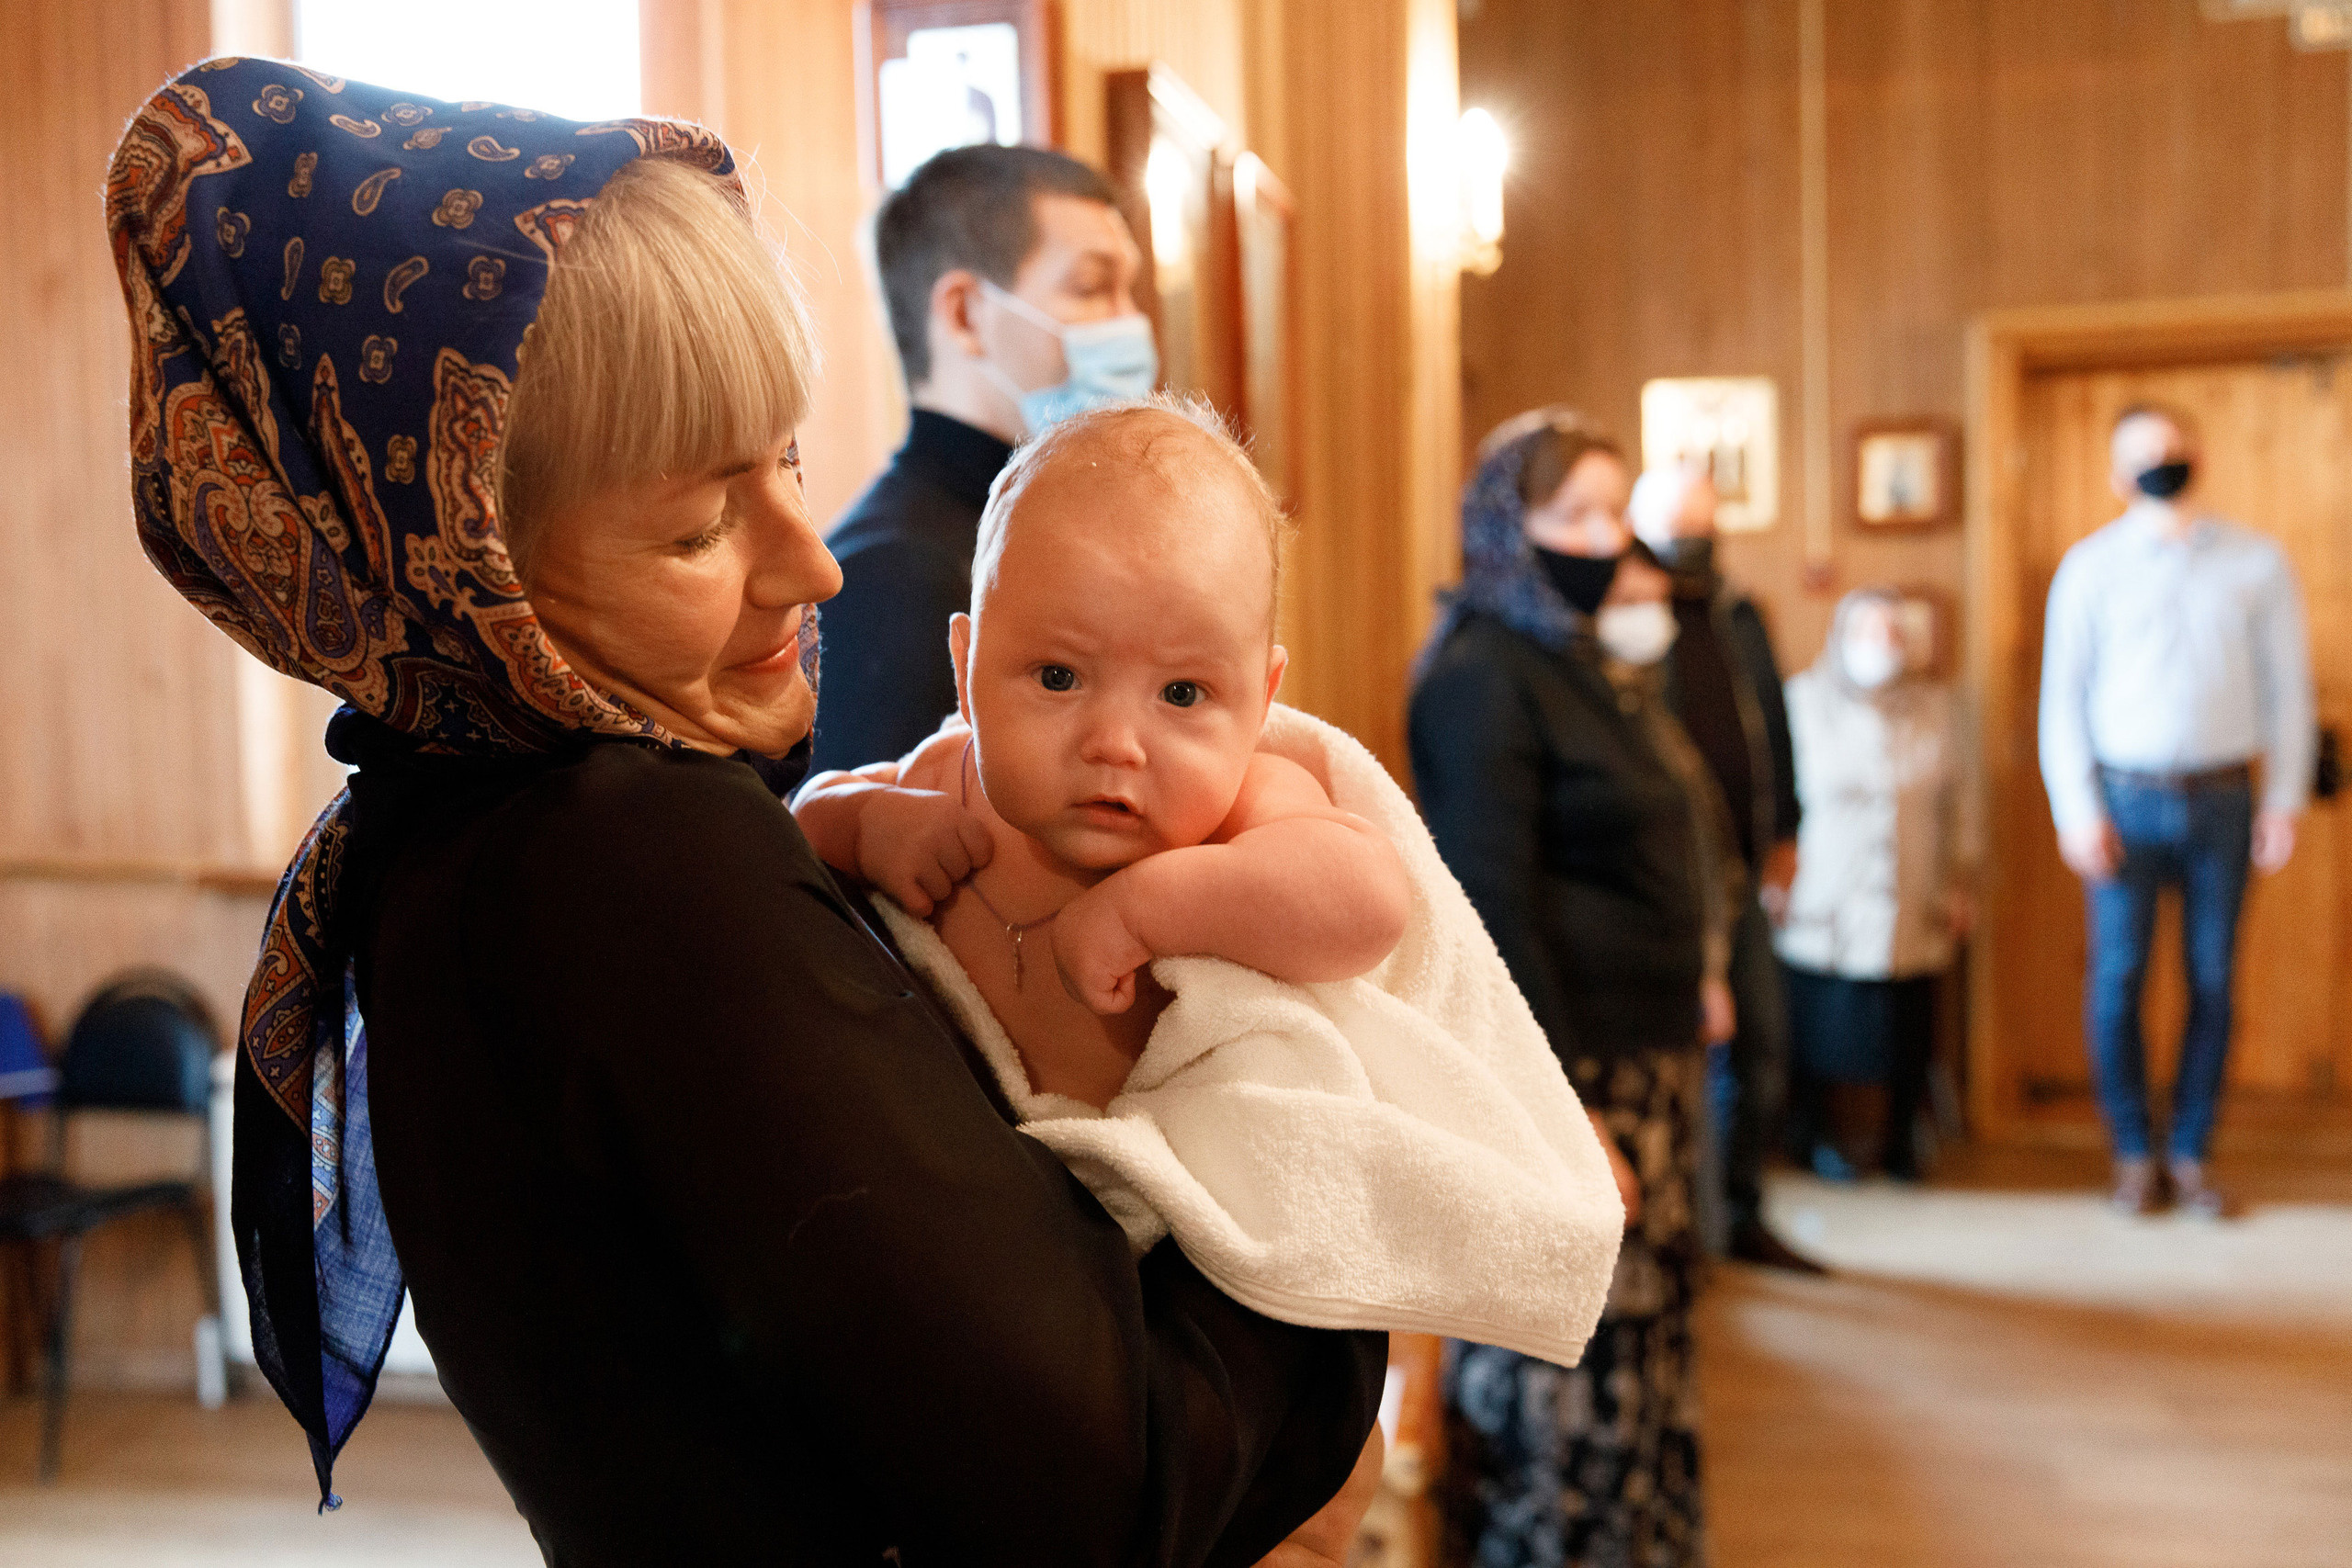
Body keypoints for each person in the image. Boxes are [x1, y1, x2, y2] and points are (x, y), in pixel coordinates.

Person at [111, 62, 1382, 1564]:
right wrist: (1348, 1194)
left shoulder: (438, 813)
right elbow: (1109, 1477)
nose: (812, 563)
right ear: (470, 558)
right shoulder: (631, 854)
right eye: (702, 524)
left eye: (787, 457)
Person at [792, 400, 1626, 1371]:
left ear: (1261, 700)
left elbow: (1367, 900)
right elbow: (804, 819)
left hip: (1178, 1280)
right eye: (1057, 677)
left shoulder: (1244, 805)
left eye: (1182, 694)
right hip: (985, 1239)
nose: (1116, 742)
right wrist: (871, 828)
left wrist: (1154, 906)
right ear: (967, 665)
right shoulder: (939, 783)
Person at [1413, 412, 1710, 1568]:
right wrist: (1559, 1108)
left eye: (1612, 511)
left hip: (1642, 1059)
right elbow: (1489, 903)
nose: (1601, 537)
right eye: (1570, 513)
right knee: (1571, 1361)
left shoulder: (1573, 657)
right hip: (1569, 1072)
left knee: (1639, 1354)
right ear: (1507, 524)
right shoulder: (1481, 673)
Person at [2039, 402, 2313, 1219]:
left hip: (2225, 800)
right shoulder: (2090, 568)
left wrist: (2284, 799)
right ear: (2117, 474)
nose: (2161, 459)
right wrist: (2076, 809)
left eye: (2172, 447)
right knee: (2117, 981)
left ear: (2196, 456)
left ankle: (2190, 1152)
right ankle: (2133, 1152)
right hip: (2122, 802)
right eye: (2143, 452)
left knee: (2213, 980)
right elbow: (2063, 698)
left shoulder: (2257, 562)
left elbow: (2288, 689)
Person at [810, 144, 1154, 774]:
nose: (1131, 323)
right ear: (965, 315)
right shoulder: (890, 578)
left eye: (1128, 290)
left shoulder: (1036, 531)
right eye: (1093, 287)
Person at [1630, 462, 1818, 1273]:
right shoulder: (1631, 622)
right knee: (1681, 1062)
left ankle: (1742, 1212)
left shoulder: (1743, 614)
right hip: (1667, 886)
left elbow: (1773, 724)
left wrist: (1788, 831)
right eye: (1678, 530)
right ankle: (1687, 1228)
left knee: (1763, 1047)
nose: (1692, 544)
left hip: (1744, 870)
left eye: (1704, 528)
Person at [1776, 589, 1978, 1182]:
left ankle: (1901, 1138)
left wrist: (1962, 880)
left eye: (1893, 633)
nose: (1881, 645)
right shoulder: (1801, 702)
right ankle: (1816, 1132)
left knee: (1908, 1022)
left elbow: (1962, 803)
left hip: (1912, 890)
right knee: (1822, 1018)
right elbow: (1777, 796)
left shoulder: (1937, 708)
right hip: (1825, 892)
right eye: (1868, 632)